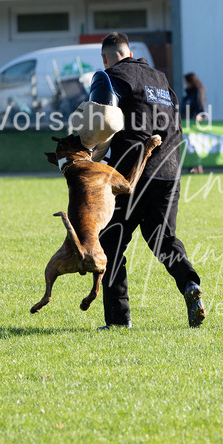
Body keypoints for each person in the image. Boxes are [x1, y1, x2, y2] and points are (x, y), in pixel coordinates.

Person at [91, 32, 205, 330]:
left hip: (132, 174)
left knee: (111, 244)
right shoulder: (161, 79)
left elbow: (100, 118)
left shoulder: (110, 76)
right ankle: (190, 284)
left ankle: (118, 320)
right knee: (163, 240)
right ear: (128, 51)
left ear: (106, 57)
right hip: (168, 171)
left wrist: (90, 152)